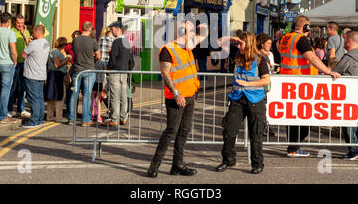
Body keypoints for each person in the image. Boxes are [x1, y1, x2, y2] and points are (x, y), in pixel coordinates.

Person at [146, 14, 208, 178]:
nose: (194, 35)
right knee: (171, 131)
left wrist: (196, 22)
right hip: (176, 97)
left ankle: (177, 166)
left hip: (190, 96)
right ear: (182, 32)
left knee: (184, 131)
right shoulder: (168, 49)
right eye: (191, 32)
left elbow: (205, 33)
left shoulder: (188, 47)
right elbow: (165, 74)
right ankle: (154, 166)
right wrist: (176, 94)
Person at [278, 15, 340, 157]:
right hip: (299, 82)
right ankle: (294, 148)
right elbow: (312, 58)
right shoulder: (301, 39)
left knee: (292, 118)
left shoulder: (285, 38)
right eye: (309, 26)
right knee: (303, 118)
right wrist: (328, 71)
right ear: (305, 27)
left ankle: (293, 147)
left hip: (288, 81)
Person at [215, 32, 270, 174]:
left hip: (255, 100)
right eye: (238, 43)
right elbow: (218, 42)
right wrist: (232, 38)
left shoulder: (260, 59)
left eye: (241, 43)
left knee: (256, 134)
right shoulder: (237, 54)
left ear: (250, 44)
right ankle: (228, 160)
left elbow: (266, 80)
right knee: (229, 130)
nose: (238, 46)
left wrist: (247, 83)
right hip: (237, 98)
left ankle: (257, 164)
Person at [332, 31, 358, 160]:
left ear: (349, 42)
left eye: (345, 39)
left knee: (348, 123)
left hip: (349, 94)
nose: (343, 42)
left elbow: (335, 71)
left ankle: (354, 150)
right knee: (356, 123)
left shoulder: (348, 57)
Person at [68, 22, 101, 127]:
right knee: (87, 95)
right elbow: (98, 56)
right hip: (89, 70)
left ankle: (71, 119)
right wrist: (93, 57)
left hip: (77, 70)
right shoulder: (93, 41)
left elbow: (76, 53)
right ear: (90, 30)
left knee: (74, 94)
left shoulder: (75, 40)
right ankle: (85, 120)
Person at [103, 21, 135, 127]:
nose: (111, 31)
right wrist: (128, 68)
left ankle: (114, 119)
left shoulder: (116, 42)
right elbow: (131, 59)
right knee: (123, 96)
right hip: (124, 72)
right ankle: (123, 118)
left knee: (114, 96)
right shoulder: (126, 41)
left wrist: (108, 71)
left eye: (112, 29)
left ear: (117, 28)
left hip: (115, 72)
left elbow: (112, 58)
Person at [21, 25, 50, 128]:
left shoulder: (33, 44)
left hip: (31, 74)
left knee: (33, 99)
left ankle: (33, 121)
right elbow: (34, 50)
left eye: (33, 31)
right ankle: (39, 119)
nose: (32, 33)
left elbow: (23, 55)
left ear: (37, 32)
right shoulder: (46, 43)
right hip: (41, 74)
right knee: (39, 98)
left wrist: (30, 40)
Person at [0, 12, 18, 124]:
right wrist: (15, 62)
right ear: (9, 21)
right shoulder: (10, 33)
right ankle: (3, 116)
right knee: (5, 90)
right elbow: (13, 51)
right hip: (7, 64)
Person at [8, 14, 32, 118]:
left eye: (22, 23)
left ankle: (21, 109)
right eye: (18, 23)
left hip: (24, 63)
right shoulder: (11, 31)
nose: (20, 25)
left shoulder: (26, 32)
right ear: (14, 22)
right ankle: (9, 109)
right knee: (13, 87)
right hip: (14, 63)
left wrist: (24, 33)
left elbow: (30, 45)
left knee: (23, 88)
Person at [46, 37, 71, 123]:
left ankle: (50, 116)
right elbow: (57, 64)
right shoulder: (56, 52)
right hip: (57, 75)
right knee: (60, 97)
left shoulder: (53, 51)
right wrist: (67, 59)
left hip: (53, 75)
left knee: (52, 97)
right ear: (63, 44)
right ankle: (59, 117)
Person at [92, 27, 113, 123]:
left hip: (97, 63)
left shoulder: (99, 40)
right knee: (103, 93)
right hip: (105, 66)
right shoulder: (111, 40)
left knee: (93, 95)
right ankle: (104, 112)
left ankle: (93, 113)